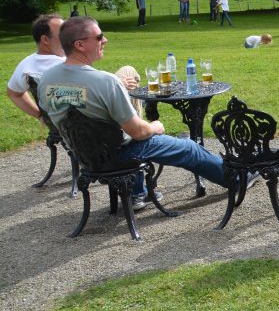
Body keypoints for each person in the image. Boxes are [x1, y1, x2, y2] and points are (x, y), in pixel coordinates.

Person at [37, 17, 235, 210]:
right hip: (120, 153)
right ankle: (237, 178)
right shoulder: (105, 82)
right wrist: (155, 126)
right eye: (99, 37)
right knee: (189, 148)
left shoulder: (46, 79)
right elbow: (138, 133)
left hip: (85, 156)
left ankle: (137, 192)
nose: (105, 40)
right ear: (80, 45)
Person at [6, 14, 65, 123]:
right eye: (63, 33)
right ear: (45, 39)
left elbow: (13, 93)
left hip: (58, 131)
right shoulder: (65, 63)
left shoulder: (26, 65)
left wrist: (41, 116)